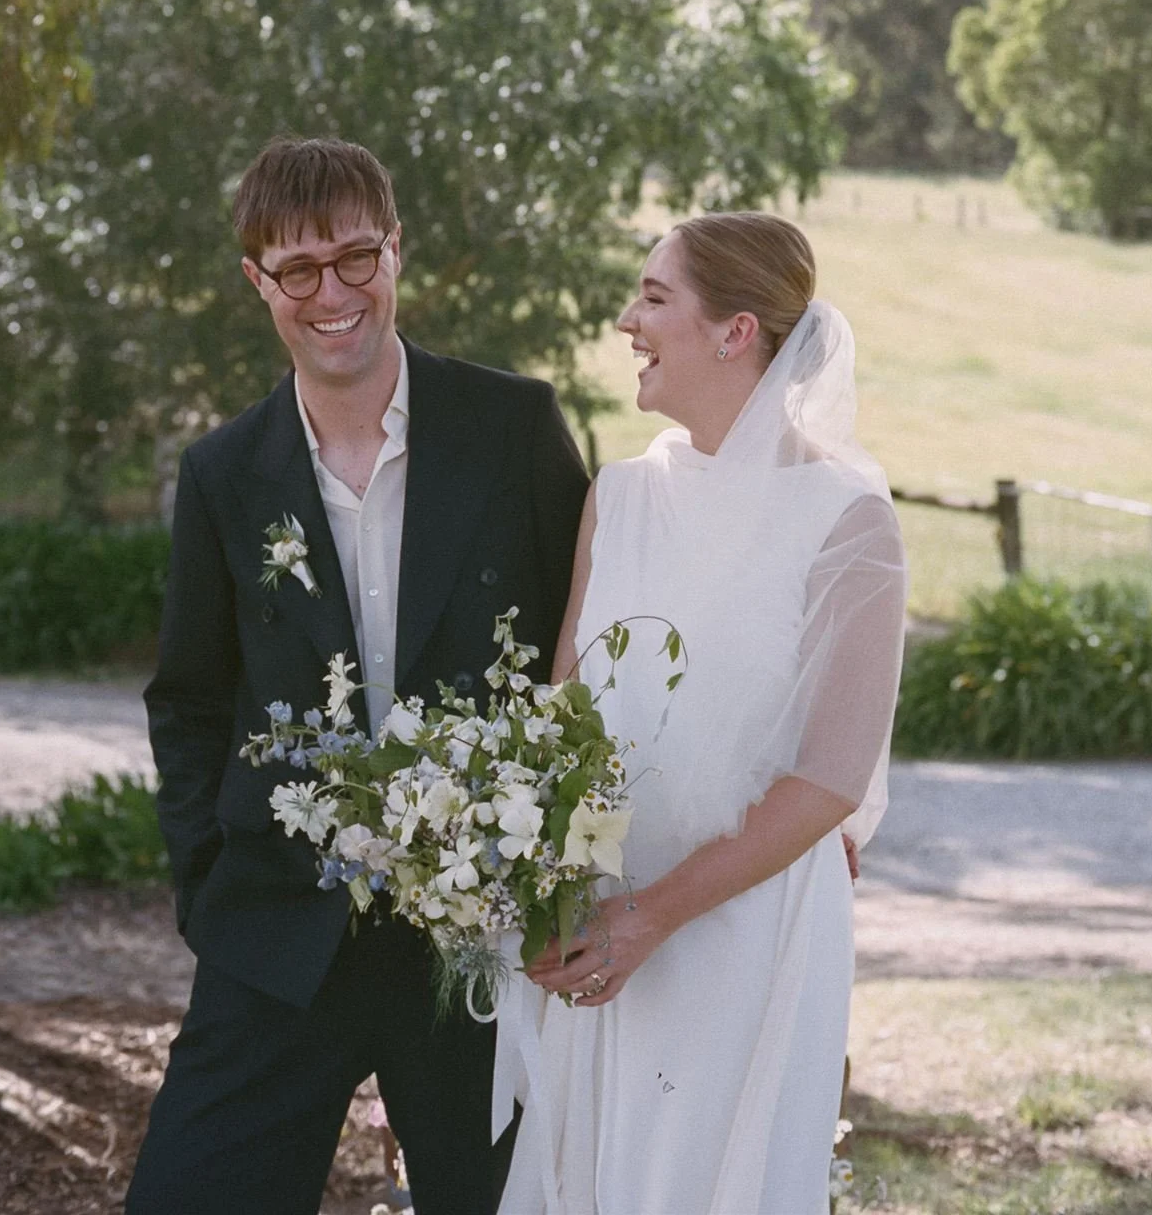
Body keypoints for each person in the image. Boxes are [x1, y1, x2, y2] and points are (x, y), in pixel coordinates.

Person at [125, 136, 589, 1215]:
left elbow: (596, 641)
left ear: (396, 251)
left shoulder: (512, 426)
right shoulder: (222, 475)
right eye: (297, 269)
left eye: (354, 256)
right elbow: (189, 700)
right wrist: (205, 884)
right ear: (257, 280)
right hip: (277, 931)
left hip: (475, 944)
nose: (331, 292)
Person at [493, 212, 907, 1215]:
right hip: (604, 920)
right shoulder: (621, 495)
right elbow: (567, 718)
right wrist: (565, 896)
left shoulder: (847, 519)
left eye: (653, 296)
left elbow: (828, 778)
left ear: (735, 330)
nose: (627, 319)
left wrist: (651, 915)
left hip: (744, 925)